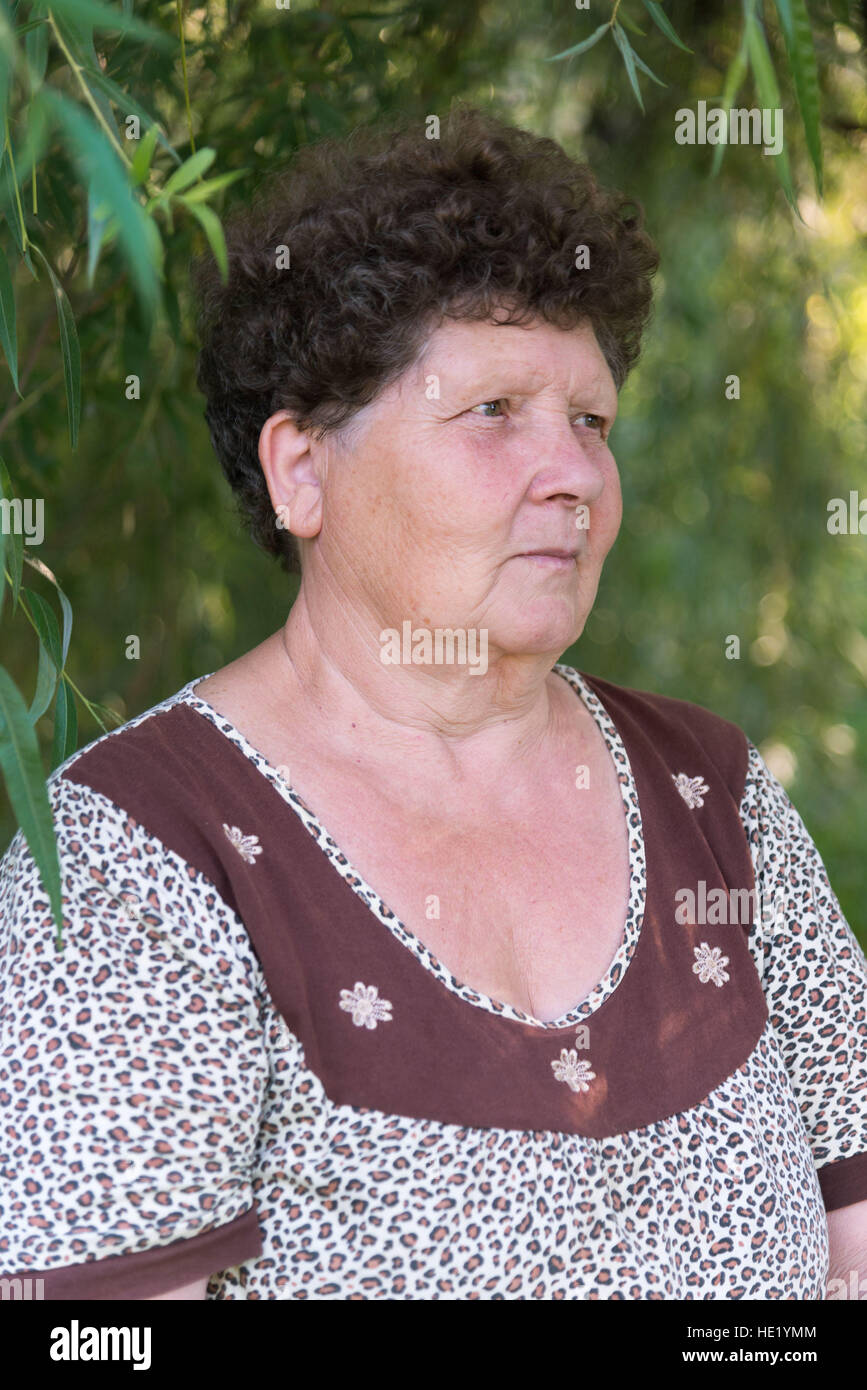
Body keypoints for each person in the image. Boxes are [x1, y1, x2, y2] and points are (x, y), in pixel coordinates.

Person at [1, 105, 865, 1301]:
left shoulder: (712, 795)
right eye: (493, 412)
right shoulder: (140, 858)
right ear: (302, 469)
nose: (573, 474)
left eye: (591, 421)